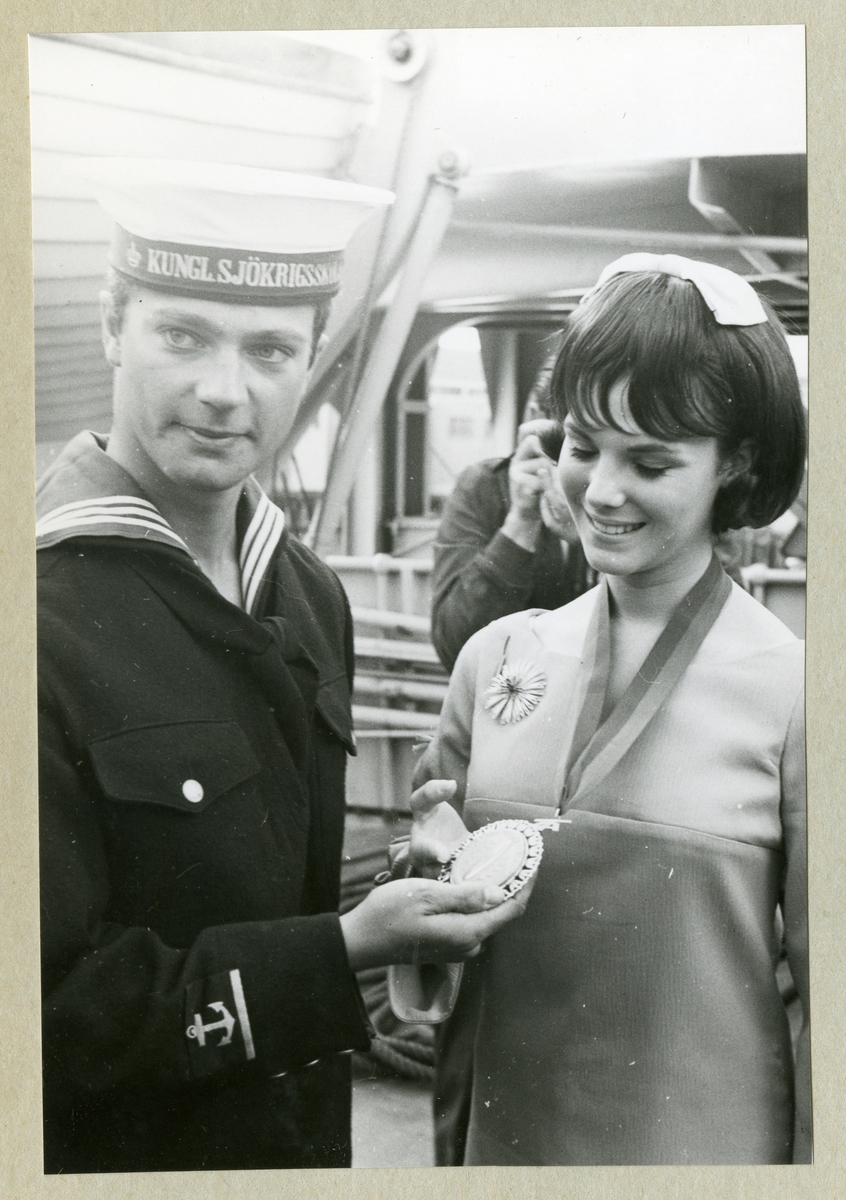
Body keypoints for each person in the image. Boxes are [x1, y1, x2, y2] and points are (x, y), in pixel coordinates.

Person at [36, 158, 529, 1173]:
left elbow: (269, 892)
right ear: (109, 329)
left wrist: (408, 887)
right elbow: (46, 1013)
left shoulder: (308, 594)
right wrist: (347, 948)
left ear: (312, 366)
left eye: (269, 349)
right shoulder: (39, 617)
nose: (224, 392)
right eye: (182, 336)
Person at [410, 254, 810, 1164]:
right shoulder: (495, 659)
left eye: (651, 461)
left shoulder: (798, 696)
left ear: (736, 463)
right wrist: (428, 876)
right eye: (581, 446)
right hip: (507, 1146)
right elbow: (442, 959)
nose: (599, 489)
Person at [431, 410, 590, 672]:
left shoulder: (616, 492)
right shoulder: (485, 486)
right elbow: (456, 648)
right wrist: (523, 518)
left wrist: (587, 533)